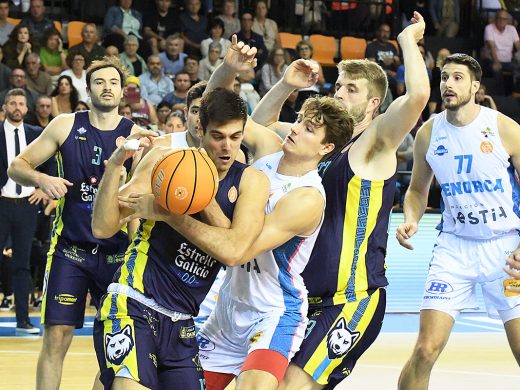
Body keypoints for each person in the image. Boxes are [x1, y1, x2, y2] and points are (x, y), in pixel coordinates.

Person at [251, 12, 430, 389]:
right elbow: (260, 127)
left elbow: (417, 97)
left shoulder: (373, 145)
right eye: (338, 86)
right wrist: (286, 85)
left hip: (351, 299)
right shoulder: (322, 144)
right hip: (303, 300)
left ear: (372, 104)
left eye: (351, 89)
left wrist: (407, 41)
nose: (339, 93)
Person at [181, 36, 353, 390]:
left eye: (308, 128)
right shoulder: (268, 149)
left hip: (272, 312)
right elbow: (215, 109)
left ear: (326, 147)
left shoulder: (306, 198)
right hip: (228, 308)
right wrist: (239, 70)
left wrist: (198, 201)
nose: (295, 128)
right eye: (299, 119)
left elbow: (240, 249)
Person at [91, 86, 270, 389]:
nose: (227, 147)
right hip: (134, 301)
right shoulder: (165, 161)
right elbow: (103, 227)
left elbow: (235, 251)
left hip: (182, 322)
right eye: (218, 136)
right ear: (200, 130)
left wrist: (173, 212)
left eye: (235, 137)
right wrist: (115, 165)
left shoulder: (252, 180)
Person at [8, 56, 155, 390]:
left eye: (114, 83)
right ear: (87, 89)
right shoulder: (64, 124)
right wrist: (41, 179)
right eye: (100, 82)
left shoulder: (136, 136)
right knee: (56, 338)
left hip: (118, 254)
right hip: (69, 251)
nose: (107, 88)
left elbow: (140, 202)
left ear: (123, 92)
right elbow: (16, 166)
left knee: (116, 347)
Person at [396, 53, 520, 389]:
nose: (448, 84)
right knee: (425, 349)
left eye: (458, 78)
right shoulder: (428, 133)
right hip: (454, 248)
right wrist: (411, 219)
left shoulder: (504, 129)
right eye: (445, 77)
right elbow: (417, 191)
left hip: (505, 250)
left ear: (476, 87)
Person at [1, 88, 56, 334]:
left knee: (22, 263)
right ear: (4, 107)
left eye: (21, 103)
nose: (16, 106)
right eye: (12, 102)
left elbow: (54, 162)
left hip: (26, 206)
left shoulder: (36, 134)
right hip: (2, 202)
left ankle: (22, 320)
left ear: (26, 109)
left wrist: (44, 188)